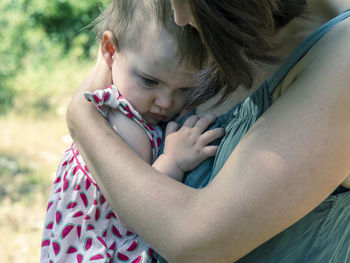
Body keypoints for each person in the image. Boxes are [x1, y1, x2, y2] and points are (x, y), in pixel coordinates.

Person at [66, 0, 350, 262]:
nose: (180, 17)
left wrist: (83, 119)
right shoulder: (233, 26)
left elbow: (194, 242)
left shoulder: (341, 52)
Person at [40, 0, 224, 262]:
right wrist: (173, 160)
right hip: (100, 251)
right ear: (110, 49)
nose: (165, 102)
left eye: (185, 90)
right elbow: (138, 204)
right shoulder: (124, 126)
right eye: (150, 81)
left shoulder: (126, 106)